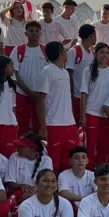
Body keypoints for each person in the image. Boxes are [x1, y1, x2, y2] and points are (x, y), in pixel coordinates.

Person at [36, 42, 78, 172]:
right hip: (53, 124)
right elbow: (40, 99)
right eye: (64, 50)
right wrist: (43, 127)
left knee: (69, 162)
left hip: (69, 124)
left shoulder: (65, 72)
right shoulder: (47, 71)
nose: (66, 53)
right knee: (53, 163)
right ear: (60, 52)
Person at [80, 42, 109, 167]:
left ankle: (101, 172)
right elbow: (83, 93)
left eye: (107, 53)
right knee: (90, 145)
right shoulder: (88, 71)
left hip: (107, 116)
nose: (104, 55)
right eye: (101, 52)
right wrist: (82, 115)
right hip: (91, 113)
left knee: (104, 146)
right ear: (96, 53)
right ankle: (87, 172)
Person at [12, 21, 47, 135]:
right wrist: (28, 91)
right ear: (26, 33)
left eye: (37, 31)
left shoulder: (46, 50)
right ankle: (19, 150)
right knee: (21, 126)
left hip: (41, 96)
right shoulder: (18, 50)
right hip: (22, 94)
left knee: (40, 126)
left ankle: (40, 151)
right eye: (31, 30)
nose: (34, 33)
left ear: (40, 33)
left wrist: (39, 93)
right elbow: (14, 73)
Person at [4, 134, 54, 201]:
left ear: (32, 149)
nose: (17, 148)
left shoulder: (46, 160)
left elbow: (47, 183)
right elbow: (10, 183)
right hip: (19, 194)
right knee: (17, 195)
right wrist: (21, 186)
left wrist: (33, 193)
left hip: (39, 193)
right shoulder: (14, 156)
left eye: (21, 146)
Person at [67, 24, 96, 126]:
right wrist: (70, 94)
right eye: (95, 34)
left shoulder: (93, 53)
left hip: (90, 97)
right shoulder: (74, 51)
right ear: (91, 36)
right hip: (76, 96)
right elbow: (69, 72)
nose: (96, 37)